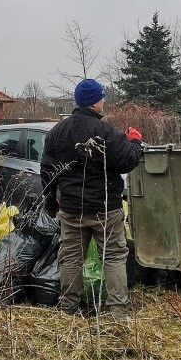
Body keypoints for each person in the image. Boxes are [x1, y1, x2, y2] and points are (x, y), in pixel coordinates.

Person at [40, 78, 143, 321]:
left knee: (71, 258)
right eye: (102, 97)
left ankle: (67, 309)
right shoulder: (106, 132)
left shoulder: (57, 132)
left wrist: (50, 200)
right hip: (105, 208)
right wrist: (136, 142)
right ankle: (118, 312)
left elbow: (47, 171)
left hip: (71, 208)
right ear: (95, 102)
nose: (104, 101)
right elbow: (127, 161)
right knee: (114, 256)